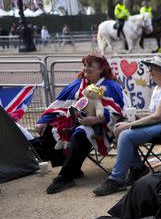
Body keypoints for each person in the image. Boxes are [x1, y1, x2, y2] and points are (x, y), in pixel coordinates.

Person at [35, 52, 125, 194]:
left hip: (104, 128)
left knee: (81, 132)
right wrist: (43, 121)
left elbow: (116, 112)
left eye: (90, 65)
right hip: (79, 122)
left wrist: (95, 119)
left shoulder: (110, 86)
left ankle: (65, 176)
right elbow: (60, 103)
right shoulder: (79, 85)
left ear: (101, 69)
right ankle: (73, 168)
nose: (85, 68)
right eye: (84, 65)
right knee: (50, 128)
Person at [93, 55, 161, 196]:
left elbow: (158, 116)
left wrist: (130, 125)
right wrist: (136, 119)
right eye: (150, 68)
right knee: (120, 129)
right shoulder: (159, 88)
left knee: (126, 135)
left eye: (153, 68)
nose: (150, 71)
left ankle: (117, 179)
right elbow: (155, 116)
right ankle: (136, 168)